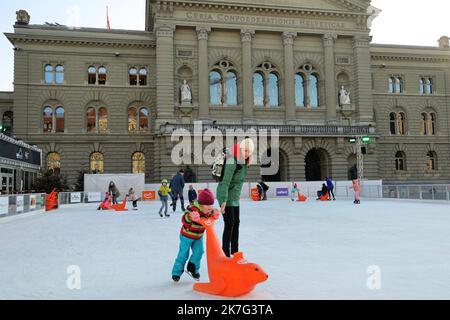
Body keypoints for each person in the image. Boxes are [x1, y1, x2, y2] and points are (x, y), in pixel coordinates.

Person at [171, 189, 221, 282]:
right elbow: (184, 220)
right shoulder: (192, 209)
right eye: (207, 205)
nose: (210, 208)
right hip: (186, 236)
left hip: (198, 236)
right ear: (201, 205)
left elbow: (210, 219)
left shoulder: (208, 211)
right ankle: (176, 273)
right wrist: (190, 216)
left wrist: (215, 215)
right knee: (183, 254)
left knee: (199, 252)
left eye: (211, 205)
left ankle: (193, 269)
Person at [216, 138, 254, 258]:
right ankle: (225, 254)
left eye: (249, 151)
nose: (247, 153)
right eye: (245, 150)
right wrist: (223, 201)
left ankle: (235, 252)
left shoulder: (244, 162)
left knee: (236, 223)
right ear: (241, 148)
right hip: (225, 195)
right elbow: (225, 182)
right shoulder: (233, 161)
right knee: (229, 224)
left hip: (234, 197)